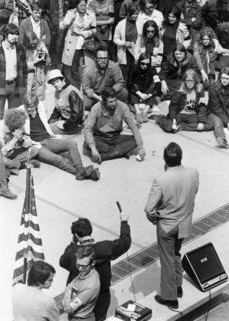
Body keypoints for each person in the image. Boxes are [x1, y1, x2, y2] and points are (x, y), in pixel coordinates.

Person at [144, 142, 199, 309]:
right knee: (176, 253)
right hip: (185, 222)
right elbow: (194, 191)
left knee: (167, 260)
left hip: (167, 225)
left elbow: (149, 208)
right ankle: (178, 285)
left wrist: (155, 219)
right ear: (180, 157)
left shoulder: (161, 180)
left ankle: (170, 297)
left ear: (165, 160)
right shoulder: (193, 173)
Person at [60, 214, 131, 321]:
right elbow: (125, 242)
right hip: (101, 295)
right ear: (90, 231)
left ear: (75, 235)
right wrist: (124, 222)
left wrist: (73, 243)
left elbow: (63, 262)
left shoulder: (73, 252)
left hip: (78, 295)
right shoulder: (105, 247)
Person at [22, 93, 100, 181]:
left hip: (47, 139)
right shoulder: (21, 115)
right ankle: (79, 173)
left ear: (36, 105)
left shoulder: (40, 109)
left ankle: (81, 169)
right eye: (26, 106)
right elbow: (19, 133)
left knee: (72, 143)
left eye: (31, 107)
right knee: (58, 158)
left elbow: (46, 121)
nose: (28, 109)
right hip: (36, 145)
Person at [157, 69, 229, 149]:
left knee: (209, 125)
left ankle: (182, 126)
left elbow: (202, 106)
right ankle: (160, 118)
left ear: (195, 81)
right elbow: (173, 106)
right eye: (187, 81)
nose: (189, 83)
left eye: (192, 81)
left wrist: (201, 121)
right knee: (169, 128)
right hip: (180, 114)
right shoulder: (180, 91)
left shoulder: (199, 89)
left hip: (192, 114)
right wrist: (173, 118)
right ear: (184, 81)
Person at [83, 87, 145, 163]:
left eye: (115, 100)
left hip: (116, 137)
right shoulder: (96, 108)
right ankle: (120, 151)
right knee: (87, 142)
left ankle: (105, 156)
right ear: (104, 102)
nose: (114, 103)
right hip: (100, 137)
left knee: (135, 140)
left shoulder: (123, 107)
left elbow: (133, 127)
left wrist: (140, 147)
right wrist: (93, 148)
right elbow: (88, 129)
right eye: (111, 102)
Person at [38, 0, 76, 67]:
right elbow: (39, 11)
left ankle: (62, 70)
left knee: (63, 48)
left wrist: (68, 20)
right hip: (51, 25)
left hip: (65, 25)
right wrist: (45, 24)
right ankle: (51, 68)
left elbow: (73, 8)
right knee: (52, 48)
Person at [60, 0, 96, 89]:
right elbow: (61, 26)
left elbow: (94, 29)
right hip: (72, 44)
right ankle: (73, 88)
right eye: (81, 5)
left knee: (83, 68)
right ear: (76, 5)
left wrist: (84, 33)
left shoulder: (90, 14)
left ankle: (82, 87)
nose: (83, 7)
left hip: (86, 44)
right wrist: (69, 20)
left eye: (84, 5)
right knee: (71, 68)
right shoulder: (71, 13)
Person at [19, 2, 51, 101]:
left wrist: (38, 42)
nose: (38, 15)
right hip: (29, 54)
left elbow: (48, 39)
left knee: (40, 79)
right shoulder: (25, 23)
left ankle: (39, 101)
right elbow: (21, 41)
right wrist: (38, 41)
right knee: (29, 79)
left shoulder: (44, 23)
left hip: (41, 53)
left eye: (40, 13)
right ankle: (29, 101)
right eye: (36, 12)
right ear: (31, 12)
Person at [82, 43, 127, 110]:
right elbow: (86, 88)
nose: (103, 60)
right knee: (84, 103)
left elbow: (120, 82)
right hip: (95, 95)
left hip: (109, 93)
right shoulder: (88, 70)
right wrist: (98, 97)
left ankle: (108, 104)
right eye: (100, 58)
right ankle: (100, 106)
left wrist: (111, 92)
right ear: (96, 59)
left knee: (124, 93)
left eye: (105, 58)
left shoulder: (114, 66)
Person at [62, 246, 100, 321]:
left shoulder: (91, 287)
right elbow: (71, 285)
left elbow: (68, 309)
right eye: (78, 265)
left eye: (83, 266)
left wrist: (66, 298)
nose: (80, 269)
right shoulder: (87, 271)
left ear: (93, 263)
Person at [0, 23, 27, 120]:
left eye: (16, 34)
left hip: (15, 85)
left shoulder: (20, 48)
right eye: (11, 34)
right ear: (5, 34)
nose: (14, 36)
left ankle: (14, 135)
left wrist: (24, 85)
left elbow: (24, 69)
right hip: (2, 84)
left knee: (15, 116)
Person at [47, 69, 84, 135]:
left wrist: (65, 125)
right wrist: (49, 122)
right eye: (53, 83)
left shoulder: (71, 92)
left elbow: (77, 115)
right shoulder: (58, 91)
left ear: (63, 80)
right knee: (46, 127)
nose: (55, 85)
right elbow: (57, 110)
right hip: (65, 121)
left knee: (48, 131)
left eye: (57, 81)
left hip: (74, 124)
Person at [128, 53, 161, 124]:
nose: (145, 66)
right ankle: (138, 113)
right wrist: (139, 93)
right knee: (134, 86)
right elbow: (129, 83)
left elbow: (158, 84)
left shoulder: (152, 69)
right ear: (139, 62)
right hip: (137, 91)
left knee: (153, 87)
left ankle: (144, 113)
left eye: (147, 64)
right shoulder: (134, 68)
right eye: (143, 64)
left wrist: (149, 95)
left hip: (147, 91)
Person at [113, 3, 139, 82]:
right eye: (133, 14)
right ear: (128, 14)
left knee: (134, 74)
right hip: (125, 52)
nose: (135, 16)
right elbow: (115, 39)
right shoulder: (121, 24)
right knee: (124, 75)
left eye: (137, 14)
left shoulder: (140, 23)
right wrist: (124, 43)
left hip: (136, 51)